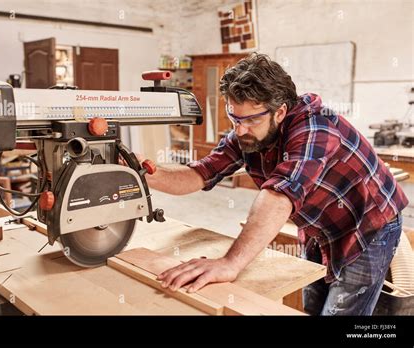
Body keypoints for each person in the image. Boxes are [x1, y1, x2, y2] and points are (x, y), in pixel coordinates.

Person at [140, 53, 409, 315]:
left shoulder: (316, 128)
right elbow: (199, 173)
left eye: (251, 120)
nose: (240, 130)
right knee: (313, 307)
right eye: (234, 118)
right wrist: (141, 172)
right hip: (319, 225)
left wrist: (230, 263)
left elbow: (280, 195)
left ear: (280, 111)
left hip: (369, 223)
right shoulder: (247, 131)